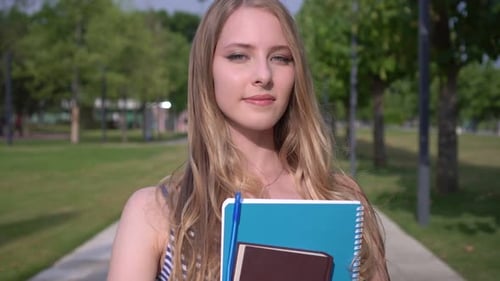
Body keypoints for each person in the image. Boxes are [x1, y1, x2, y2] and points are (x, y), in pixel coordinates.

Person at [107, 0, 390, 280]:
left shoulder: (342, 200)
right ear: (207, 71)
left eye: (280, 57)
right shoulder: (156, 212)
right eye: (239, 56)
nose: (264, 75)